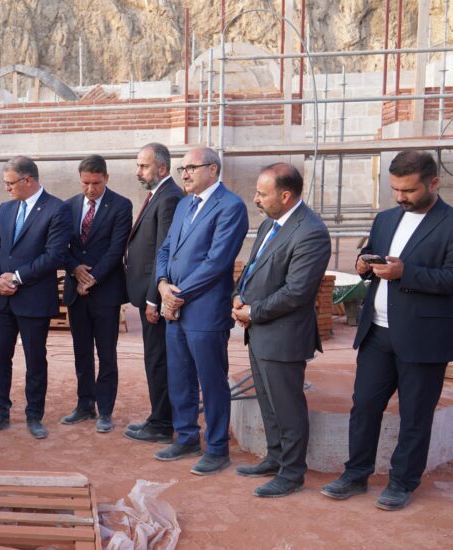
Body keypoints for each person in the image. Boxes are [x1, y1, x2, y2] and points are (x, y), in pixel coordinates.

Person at [321, 150, 453, 511]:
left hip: (423, 338)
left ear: (433, 183)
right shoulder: (386, 218)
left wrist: (405, 273)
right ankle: (355, 474)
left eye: (408, 190)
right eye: (395, 189)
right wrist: (364, 264)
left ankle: (402, 482)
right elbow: (372, 253)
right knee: (364, 407)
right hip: (377, 334)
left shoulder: (449, 223)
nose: (400, 197)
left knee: (415, 416)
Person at [231, 163, 331, 498]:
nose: (255, 199)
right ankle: (275, 458)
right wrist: (238, 297)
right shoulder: (270, 224)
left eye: (262, 193)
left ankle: (292, 473)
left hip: (284, 336)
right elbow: (252, 269)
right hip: (260, 331)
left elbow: (297, 292)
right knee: (268, 401)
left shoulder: (311, 232)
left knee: (287, 407)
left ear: (285, 195)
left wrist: (253, 311)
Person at [154, 146, 248, 474]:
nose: (184, 174)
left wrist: (177, 296)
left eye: (191, 168)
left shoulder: (231, 207)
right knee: (180, 377)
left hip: (205, 311)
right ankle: (186, 437)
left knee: (211, 381)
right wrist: (163, 285)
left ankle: (217, 447)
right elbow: (166, 249)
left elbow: (217, 262)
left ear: (212, 169)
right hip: (175, 307)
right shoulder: (184, 204)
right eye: (182, 169)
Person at [0, 156, 72, 440]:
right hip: (0, 300)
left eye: (10, 183)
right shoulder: (5, 209)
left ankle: (34, 415)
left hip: (33, 299)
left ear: (28, 180)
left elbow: (54, 255)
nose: (6, 188)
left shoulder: (57, 209)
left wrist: (17, 277)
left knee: (35, 360)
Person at [60, 155, 132, 433]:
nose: (90, 189)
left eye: (96, 183)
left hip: (105, 293)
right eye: (85, 183)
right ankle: (84, 405)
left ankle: (106, 410)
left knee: (106, 354)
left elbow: (116, 249)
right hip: (76, 292)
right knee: (81, 352)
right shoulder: (68, 206)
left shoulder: (121, 205)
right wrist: (75, 269)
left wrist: (91, 278)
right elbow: (60, 246)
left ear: (106, 178)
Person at [123, 143, 184, 444]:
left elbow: (164, 252)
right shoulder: (158, 194)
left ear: (161, 168)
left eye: (143, 166)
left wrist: (153, 300)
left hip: (155, 299)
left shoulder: (169, 197)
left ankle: (162, 424)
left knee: (158, 360)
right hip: (148, 293)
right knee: (154, 358)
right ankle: (157, 416)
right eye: (138, 165)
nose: (138, 172)